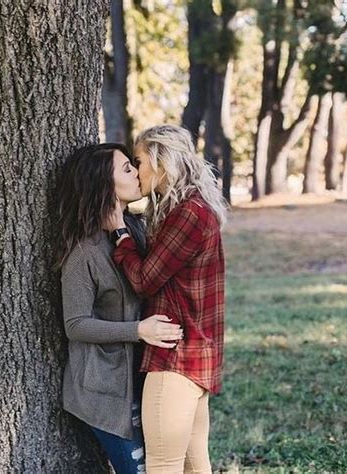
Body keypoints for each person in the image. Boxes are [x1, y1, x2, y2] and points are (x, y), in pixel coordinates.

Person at [56, 143, 183, 474]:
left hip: (142, 383)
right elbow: (76, 324)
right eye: (128, 168)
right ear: (103, 184)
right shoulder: (84, 253)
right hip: (104, 393)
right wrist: (138, 331)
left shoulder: (138, 231)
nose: (137, 173)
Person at [108, 125, 227, 474]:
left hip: (176, 356)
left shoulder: (189, 212)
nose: (136, 169)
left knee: (164, 465)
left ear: (162, 161)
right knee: (193, 464)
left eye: (139, 161)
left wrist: (119, 232)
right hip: (193, 353)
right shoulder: (187, 206)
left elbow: (145, 281)